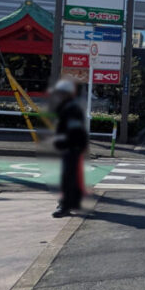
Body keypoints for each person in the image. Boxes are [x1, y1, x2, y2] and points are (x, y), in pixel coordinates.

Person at [49, 79, 88, 218]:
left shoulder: (70, 108)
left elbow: (72, 130)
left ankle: (65, 206)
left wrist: (63, 143)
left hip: (71, 147)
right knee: (73, 176)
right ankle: (75, 202)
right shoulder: (70, 106)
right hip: (74, 146)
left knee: (68, 177)